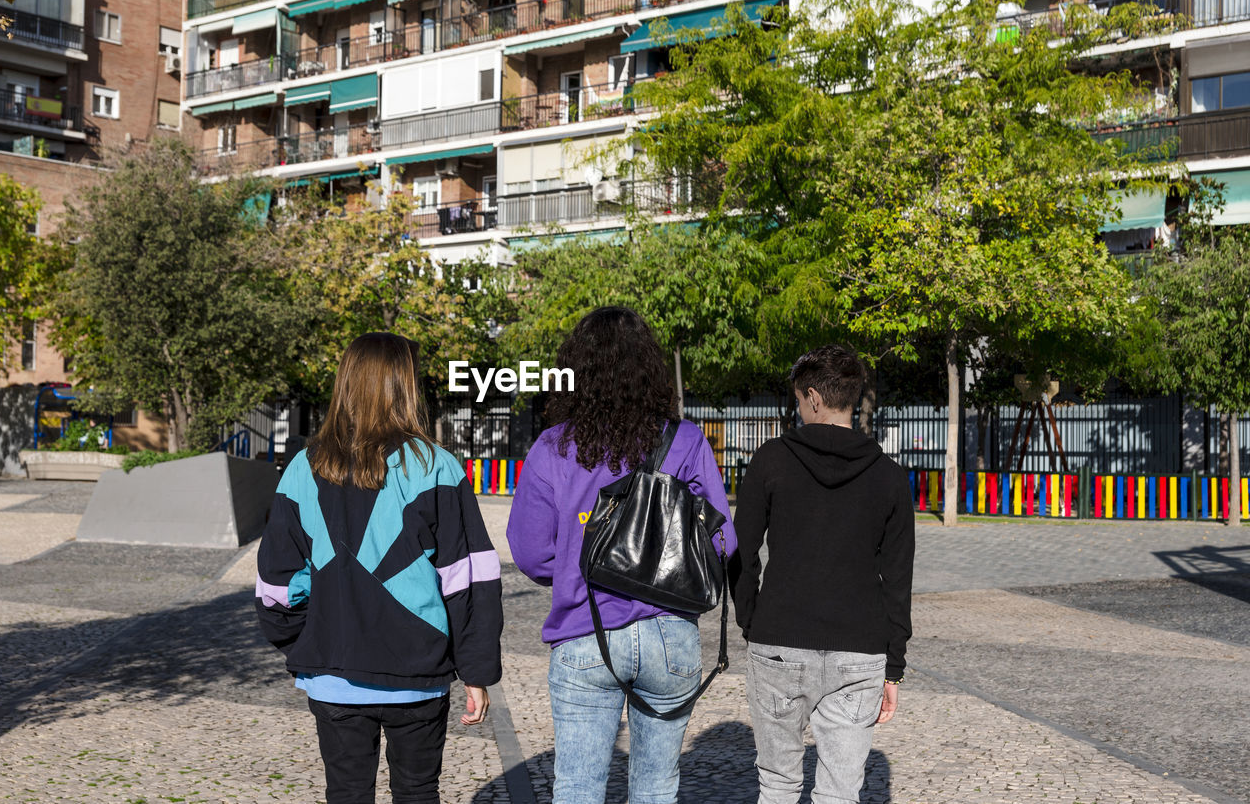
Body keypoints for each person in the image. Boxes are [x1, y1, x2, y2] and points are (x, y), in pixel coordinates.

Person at [255, 332, 503, 804]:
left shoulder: (302, 469)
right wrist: (476, 672)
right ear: (405, 387)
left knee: (346, 793)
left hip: (334, 674)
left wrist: (311, 640)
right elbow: (469, 581)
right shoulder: (438, 467)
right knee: (417, 792)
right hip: (418, 673)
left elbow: (276, 584)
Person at [507, 306, 736, 804]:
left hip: (583, 631)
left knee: (578, 789)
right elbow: (724, 542)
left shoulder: (552, 447)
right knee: (656, 787)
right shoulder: (687, 440)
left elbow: (529, 552)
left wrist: (578, 565)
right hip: (671, 633)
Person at [730, 344, 914, 804]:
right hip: (860, 650)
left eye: (797, 399)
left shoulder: (770, 460)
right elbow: (898, 579)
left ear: (812, 397)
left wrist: (750, 618)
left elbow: (740, 550)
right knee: (839, 793)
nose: (798, 408)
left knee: (777, 785)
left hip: (778, 640)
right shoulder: (890, 477)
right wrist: (894, 667)